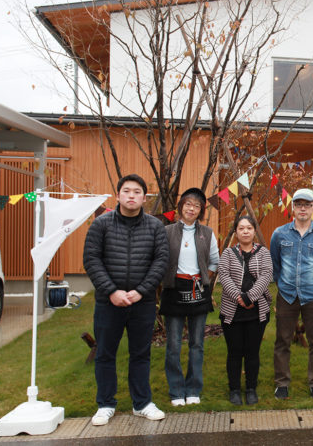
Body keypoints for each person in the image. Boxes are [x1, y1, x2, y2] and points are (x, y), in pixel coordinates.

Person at [83, 174, 169, 426]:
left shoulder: (155, 227)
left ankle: (142, 403)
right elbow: (91, 259)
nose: (131, 196)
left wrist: (142, 291)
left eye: (137, 192)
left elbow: (161, 261)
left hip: (141, 303)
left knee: (140, 354)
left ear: (144, 197)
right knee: (105, 354)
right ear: (118, 195)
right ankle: (106, 404)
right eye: (127, 191)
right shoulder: (101, 225)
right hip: (108, 302)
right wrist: (112, 291)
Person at [159, 188, 219, 407]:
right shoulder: (166, 231)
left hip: (198, 289)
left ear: (201, 210)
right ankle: (176, 390)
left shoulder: (208, 233)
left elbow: (214, 261)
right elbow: (159, 259)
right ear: (181, 206)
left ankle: (193, 388)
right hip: (174, 288)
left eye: (196, 205)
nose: (192, 209)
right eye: (188, 204)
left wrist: (203, 278)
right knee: (173, 344)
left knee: (197, 343)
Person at [270, 188, 313, 399]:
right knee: (282, 341)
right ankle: (282, 383)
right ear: (293, 207)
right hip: (287, 294)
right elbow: (275, 265)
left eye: (307, 205)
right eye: (298, 204)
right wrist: (283, 284)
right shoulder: (279, 234)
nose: (303, 208)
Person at [217, 215, 273, 406]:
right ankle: (234, 389)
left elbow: (266, 275)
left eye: (249, 228)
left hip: (257, 311)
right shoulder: (228, 253)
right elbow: (223, 276)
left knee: (252, 352)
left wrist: (251, 296)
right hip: (232, 311)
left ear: (254, 231)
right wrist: (240, 297)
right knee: (234, 352)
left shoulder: (263, 252)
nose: (245, 231)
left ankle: (251, 388)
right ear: (236, 232)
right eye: (241, 228)